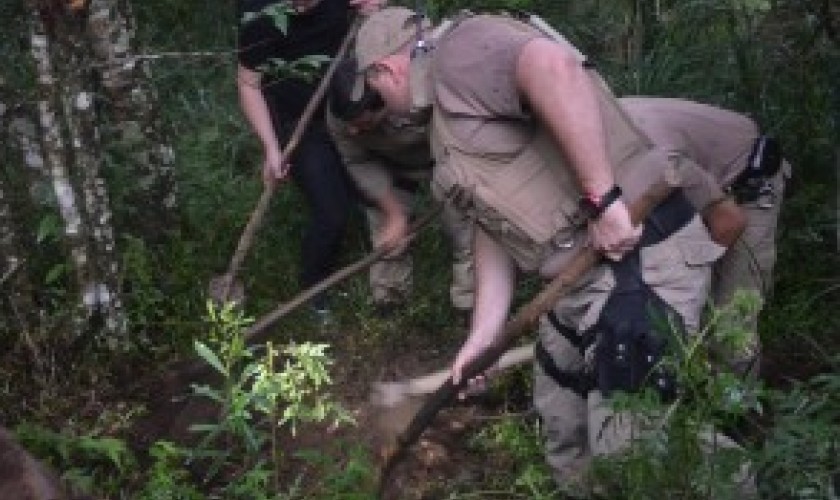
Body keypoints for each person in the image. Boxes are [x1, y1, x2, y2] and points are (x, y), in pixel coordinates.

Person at [352, 7, 752, 493]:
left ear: (385, 69)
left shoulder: (460, 51)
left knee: (630, 444)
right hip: (573, 285)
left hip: (637, 264)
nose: (382, 107)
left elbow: (551, 66)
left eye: (375, 90)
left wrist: (603, 200)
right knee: (564, 433)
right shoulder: (445, 120)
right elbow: (492, 225)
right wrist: (483, 333)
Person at [620, 97, 788, 377]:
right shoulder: (594, 128)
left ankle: (733, 405)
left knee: (732, 313)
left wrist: (694, 287)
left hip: (749, 186)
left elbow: (729, 222)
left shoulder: (651, 149)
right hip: (694, 187)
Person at [236, 0, 383, 319]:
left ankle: (378, 270)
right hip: (296, 122)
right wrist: (272, 148)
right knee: (331, 210)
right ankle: (314, 289)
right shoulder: (260, 14)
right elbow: (249, 84)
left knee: (368, 189)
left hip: (344, 107)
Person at [326, 57, 474, 316]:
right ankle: (389, 303)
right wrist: (395, 214)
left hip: (445, 158)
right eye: (348, 125)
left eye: (363, 125)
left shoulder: (428, 93)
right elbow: (358, 161)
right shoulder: (340, 117)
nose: (353, 132)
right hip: (391, 169)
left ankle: (470, 304)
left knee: (464, 231)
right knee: (388, 237)